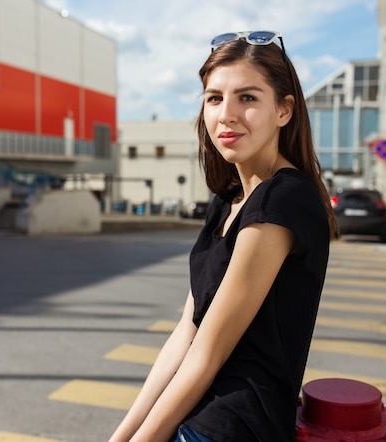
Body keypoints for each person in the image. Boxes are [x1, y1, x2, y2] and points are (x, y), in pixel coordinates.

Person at [109, 31, 337, 442]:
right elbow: (187, 331)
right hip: (192, 410)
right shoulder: (228, 199)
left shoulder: (283, 200)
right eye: (214, 98)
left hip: (233, 424)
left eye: (247, 98)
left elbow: (209, 352)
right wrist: (123, 435)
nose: (226, 115)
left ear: (284, 110)